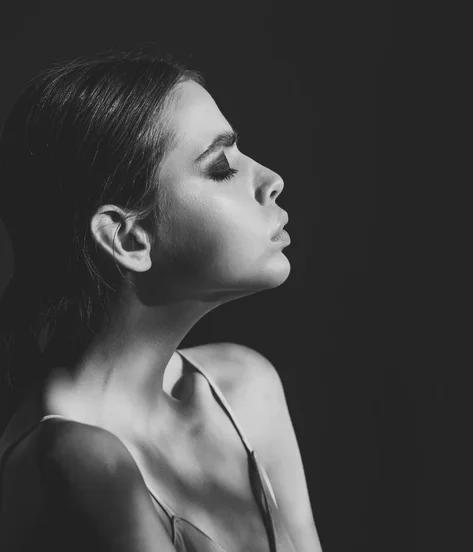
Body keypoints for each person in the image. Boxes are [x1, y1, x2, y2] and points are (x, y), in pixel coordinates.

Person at [0, 51, 322, 552]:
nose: (271, 179)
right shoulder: (75, 462)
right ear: (129, 239)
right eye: (221, 166)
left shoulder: (244, 387)